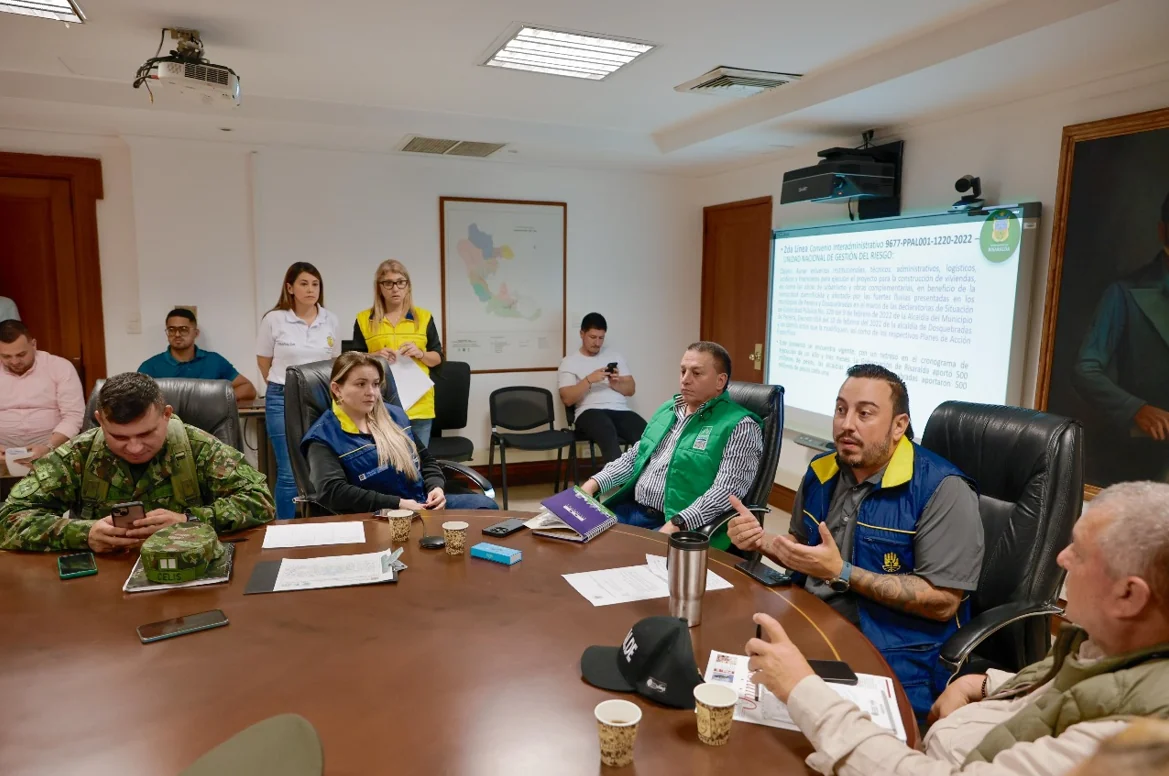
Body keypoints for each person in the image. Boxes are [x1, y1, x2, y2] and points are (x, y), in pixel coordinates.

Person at [743, 480, 1169, 776]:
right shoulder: (1113, 644)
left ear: (1128, 597)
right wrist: (988, 683)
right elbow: (1071, 690)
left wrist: (800, 689)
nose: (1061, 560)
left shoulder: (1128, 743)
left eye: (1080, 552)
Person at [728, 363, 982, 720]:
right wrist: (763, 542)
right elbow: (805, 550)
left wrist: (842, 572)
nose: (847, 424)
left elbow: (942, 601)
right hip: (811, 620)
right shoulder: (822, 470)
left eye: (865, 414)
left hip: (896, 649)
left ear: (899, 426)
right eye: (841, 409)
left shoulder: (943, 489)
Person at [0, 372, 274, 552]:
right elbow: (9, 519)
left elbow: (260, 500)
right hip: (102, 583)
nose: (134, 447)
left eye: (146, 433)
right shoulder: (78, 454)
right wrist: (83, 533)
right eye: (119, 436)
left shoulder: (197, 446)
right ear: (99, 420)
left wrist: (189, 519)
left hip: (189, 572)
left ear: (166, 415)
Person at [580, 341, 762, 547]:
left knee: (619, 564)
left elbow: (726, 492)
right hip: (633, 510)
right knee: (575, 537)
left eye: (696, 373)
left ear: (720, 381)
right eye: (683, 371)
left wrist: (677, 524)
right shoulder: (669, 410)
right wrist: (592, 484)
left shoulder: (740, 426)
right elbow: (635, 458)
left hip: (679, 524)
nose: (685, 380)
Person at [301, 352, 497, 513]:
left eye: (376, 384)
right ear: (337, 389)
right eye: (361, 384)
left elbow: (426, 461)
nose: (372, 392)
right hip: (377, 516)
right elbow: (333, 492)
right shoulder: (323, 437)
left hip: (420, 504)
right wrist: (397, 504)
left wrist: (436, 487)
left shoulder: (393, 416)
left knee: (486, 508)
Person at [1074, 191, 1169, 482]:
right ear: (1163, 230)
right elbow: (1085, 369)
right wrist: (1135, 408)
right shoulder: (1125, 292)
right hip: (1147, 456)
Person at [257, 262, 341, 519]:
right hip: (282, 397)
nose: (310, 289)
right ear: (290, 288)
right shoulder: (275, 319)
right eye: (304, 284)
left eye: (315, 284)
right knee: (288, 472)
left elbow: (335, 364)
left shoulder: (330, 319)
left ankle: (323, 523)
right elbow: (264, 361)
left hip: (320, 399)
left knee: (321, 466)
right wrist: (285, 387)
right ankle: (282, 529)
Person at [351, 260, 443, 448]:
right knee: (386, 467)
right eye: (388, 283)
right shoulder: (364, 319)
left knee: (417, 465)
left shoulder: (423, 317)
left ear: (408, 286)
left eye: (401, 282)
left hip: (419, 405)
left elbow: (438, 358)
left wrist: (421, 354)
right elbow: (353, 363)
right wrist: (374, 355)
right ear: (380, 287)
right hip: (379, 405)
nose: (395, 288)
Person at [558, 312, 646, 466]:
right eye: (593, 337)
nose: (597, 343)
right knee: (607, 431)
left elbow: (631, 389)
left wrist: (616, 384)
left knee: (647, 434)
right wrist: (589, 380)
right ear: (582, 334)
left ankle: (652, 481)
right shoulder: (569, 362)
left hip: (620, 410)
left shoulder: (615, 357)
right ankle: (622, 483)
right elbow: (567, 398)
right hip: (589, 412)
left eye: (601, 338)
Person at [0, 319, 84, 463]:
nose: (14, 362)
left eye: (21, 355)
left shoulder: (60, 367)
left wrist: (48, 447)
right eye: (6, 356)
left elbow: (73, 416)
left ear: (33, 345)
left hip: (53, 449)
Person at [138, 308, 256, 401]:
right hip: (167, 425)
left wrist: (218, 401)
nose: (177, 334)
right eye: (172, 330)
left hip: (208, 425)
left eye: (183, 329)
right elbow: (135, 398)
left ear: (196, 333)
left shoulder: (214, 361)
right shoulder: (151, 366)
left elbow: (248, 388)